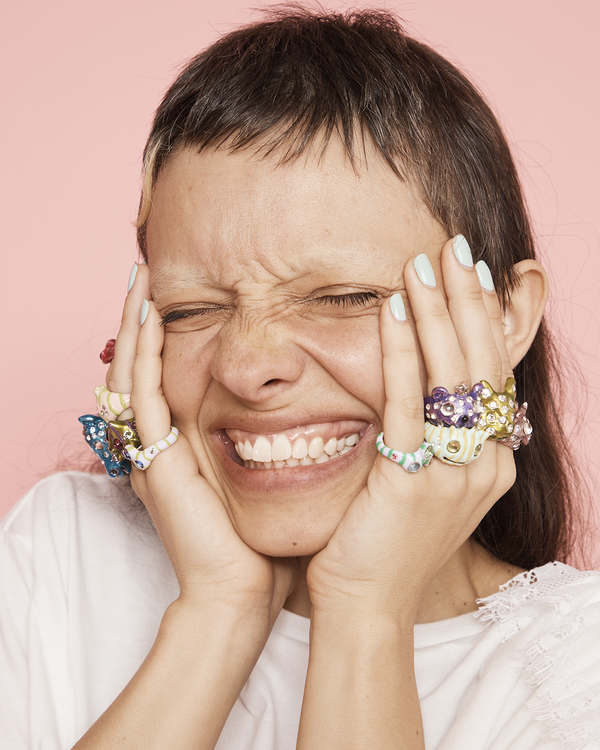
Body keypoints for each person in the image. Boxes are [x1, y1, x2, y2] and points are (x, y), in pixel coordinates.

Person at [1, 6, 599, 749]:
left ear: (504, 316)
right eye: (189, 309)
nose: (249, 368)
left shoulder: (582, 670)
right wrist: (219, 613)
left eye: (343, 298)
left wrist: (365, 609)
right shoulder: (62, 553)